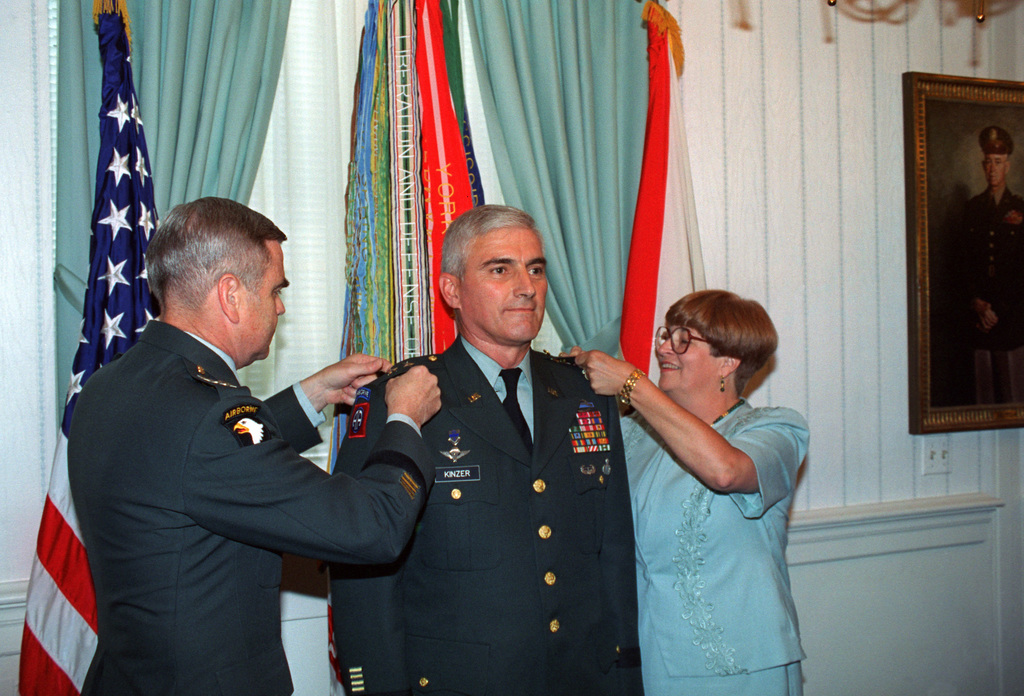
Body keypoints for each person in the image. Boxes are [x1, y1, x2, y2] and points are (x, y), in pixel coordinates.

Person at [67, 197, 441, 696]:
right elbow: (370, 527)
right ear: (231, 295)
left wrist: (313, 395)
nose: (282, 306)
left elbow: (194, 469)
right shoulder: (210, 417)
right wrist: (405, 418)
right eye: (275, 289)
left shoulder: (109, 386)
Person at [329, 205, 643, 696]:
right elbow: (363, 568)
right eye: (501, 269)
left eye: (535, 269)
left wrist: (626, 674)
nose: (527, 286)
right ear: (452, 290)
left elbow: (615, 552)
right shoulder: (404, 396)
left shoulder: (585, 391)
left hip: (582, 677)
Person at [572, 290, 809, 696]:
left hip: (739, 664)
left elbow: (725, 472)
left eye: (684, 339)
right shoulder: (632, 434)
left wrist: (633, 384)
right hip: (646, 656)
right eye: (667, 334)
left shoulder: (777, 431)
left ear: (728, 361)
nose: (664, 347)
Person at [962, 125, 1024, 403]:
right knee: (981, 404)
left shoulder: (1020, 209)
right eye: (987, 162)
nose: (992, 168)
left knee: (1013, 404)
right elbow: (964, 263)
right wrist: (977, 303)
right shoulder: (973, 208)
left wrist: (996, 310)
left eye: (998, 162)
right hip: (979, 322)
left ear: (1007, 166)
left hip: (1010, 321)